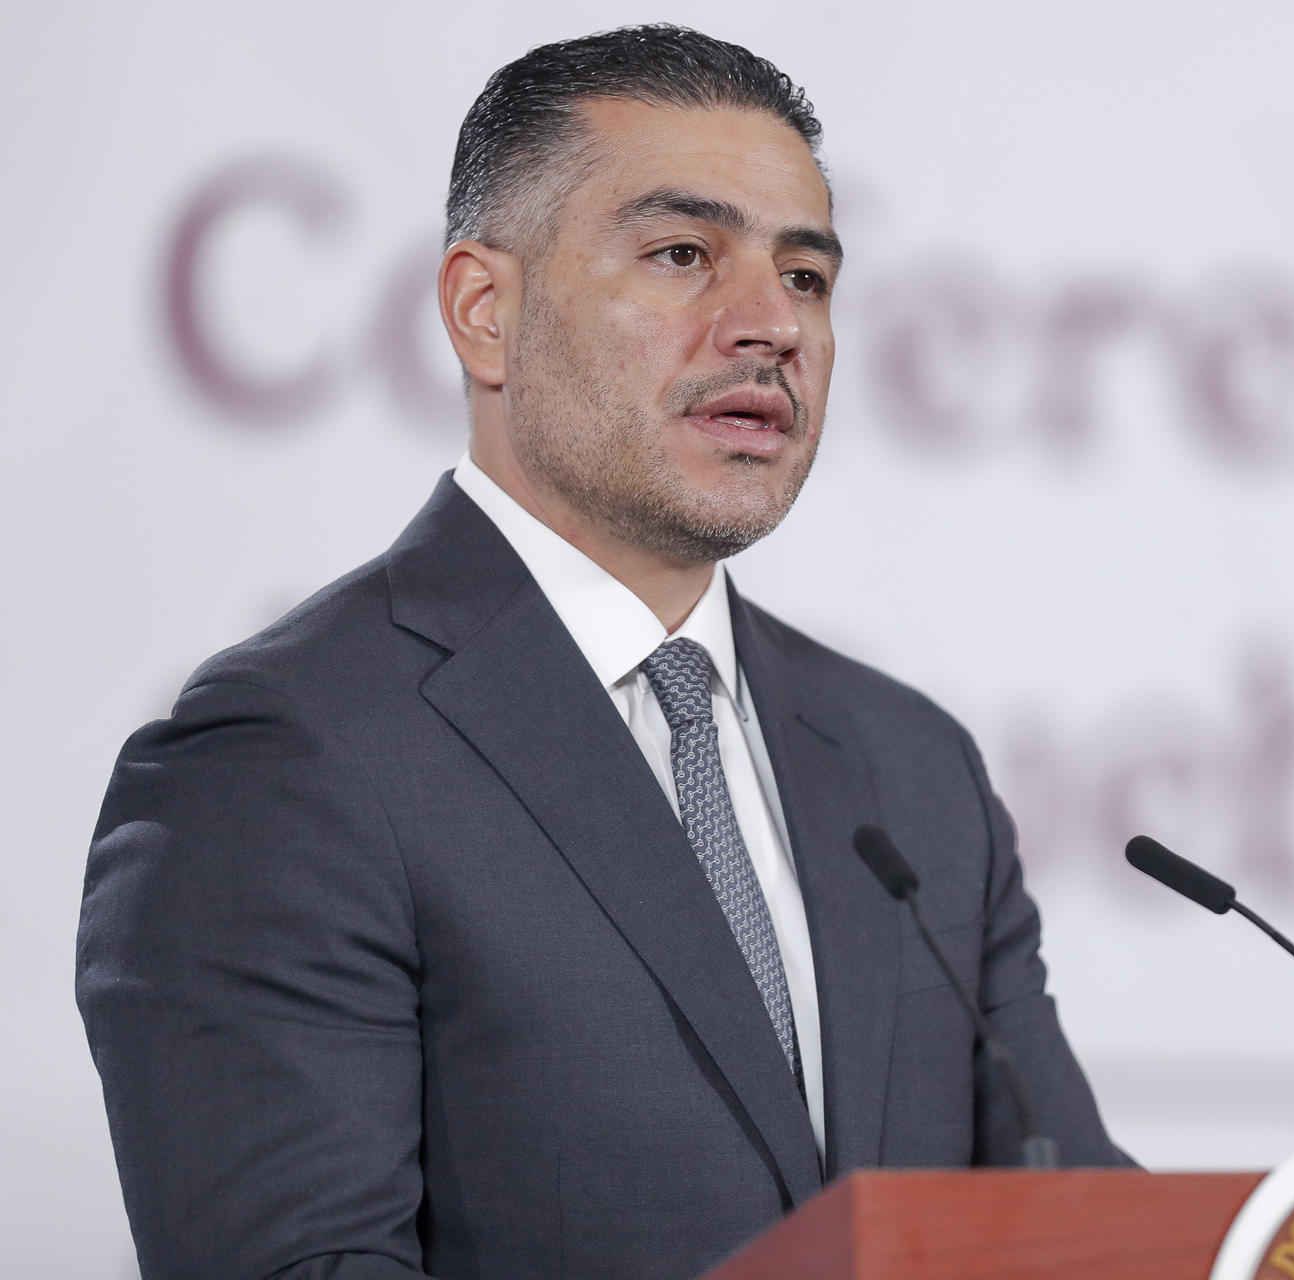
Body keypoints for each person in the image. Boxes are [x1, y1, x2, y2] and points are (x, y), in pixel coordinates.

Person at [76, 25, 1125, 1280]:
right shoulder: (287, 758)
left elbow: (1081, 1236)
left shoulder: (910, 768)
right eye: (684, 254)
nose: (769, 326)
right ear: (484, 312)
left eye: (805, 276)